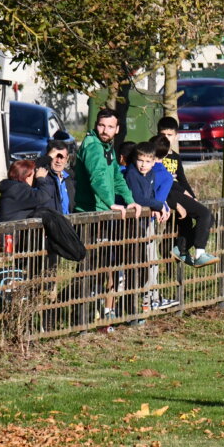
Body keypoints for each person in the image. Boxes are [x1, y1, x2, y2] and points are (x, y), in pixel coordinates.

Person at [73, 110, 141, 320]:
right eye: (102, 125)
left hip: (102, 214)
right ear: (96, 125)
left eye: (110, 127)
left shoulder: (107, 147)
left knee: (100, 267)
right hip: (89, 215)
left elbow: (116, 177)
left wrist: (129, 199)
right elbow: (97, 177)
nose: (105, 130)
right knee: (88, 269)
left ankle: (84, 313)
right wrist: (111, 202)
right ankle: (78, 317)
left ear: (117, 129)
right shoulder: (93, 146)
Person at [123, 140, 178, 313]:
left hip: (146, 223)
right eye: (140, 160)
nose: (143, 165)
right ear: (135, 159)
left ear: (154, 161)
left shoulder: (151, 174)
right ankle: (134, 305)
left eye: (147, 161)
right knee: (135, 266)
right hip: (132, 225)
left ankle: (148, 300)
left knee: (150, 262)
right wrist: (159, 205)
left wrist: (160, 205)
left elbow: (151, 196)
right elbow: (138, 198)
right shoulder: (132, 174)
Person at [155, 118, 218, 267]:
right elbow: (165, 181)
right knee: (204, 214)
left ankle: (181, 249)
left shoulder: (175, 157)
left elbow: (182, 179)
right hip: (168, 194)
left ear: (176, 136)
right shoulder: (156, 155)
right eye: (163, 134)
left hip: (178, 192)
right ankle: (199, 253)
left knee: (209, 218)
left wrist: (192, 197)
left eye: (169, 135)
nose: (166, 138)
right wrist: (181, 197)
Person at [35, 139, 76, 215]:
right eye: (55, 156)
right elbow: (32, 167)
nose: (58, 161)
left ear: (67, 159)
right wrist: (48, 157)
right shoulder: (42, 175)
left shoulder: (70, 177)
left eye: (61, 157)